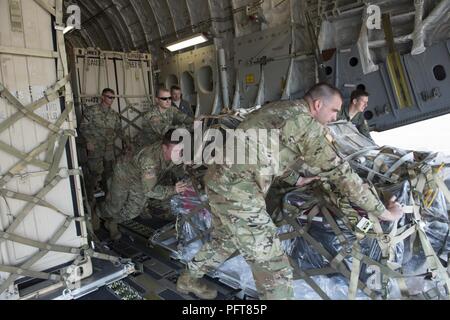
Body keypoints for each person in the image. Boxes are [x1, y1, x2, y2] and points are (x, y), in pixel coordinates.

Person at [176, 83, 404, 300]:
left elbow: (269, 151)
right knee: (273, 265)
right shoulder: (306, 125)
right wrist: (384, 212)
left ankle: (187, 279)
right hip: (238, 192)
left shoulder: (280, 108)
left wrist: (298, 178)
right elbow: (342, 174)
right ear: (317, 105)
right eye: (334, 110)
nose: (335, 116)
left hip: (219, 181)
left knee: (225, 240)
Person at [94, 129, 191, 240]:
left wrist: (186, 171)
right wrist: (174, 189)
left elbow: (177, 167)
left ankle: (111, 222)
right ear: (165, 148)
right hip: (125, 173)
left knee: (132, 211)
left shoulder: (176, 153)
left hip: (142, 177)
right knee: (115, 206)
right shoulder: (149, 160)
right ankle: (97, 212)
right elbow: (149, 190)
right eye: (177, 150)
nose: (180, 153)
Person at [80, 88, 129, 200]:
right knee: (95, 173)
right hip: (96, 148)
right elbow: (83, 126)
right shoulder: (91, 111)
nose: (112, 99)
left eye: (113, 97)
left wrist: (127, 142)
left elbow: (119, 130)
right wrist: (89, 141)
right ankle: (90, 198)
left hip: (108, 149)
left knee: (109, 173)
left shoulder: (114, 115)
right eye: (109, 97)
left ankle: (108, 197)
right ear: (102, 97)